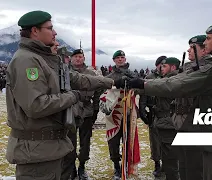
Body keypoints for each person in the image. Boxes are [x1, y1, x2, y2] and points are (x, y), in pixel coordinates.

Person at [124, 23, 212, 180]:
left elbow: (179, 85)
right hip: (210, 139)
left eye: (208, 39)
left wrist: (142, 84)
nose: (206, 42)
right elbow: (177, 80)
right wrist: (142, 85)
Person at [5, 10, 117, 180]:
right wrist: (73, 96)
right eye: (50, 28)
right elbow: (36, 105)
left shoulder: (45, 59)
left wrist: (112, 82)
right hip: (36, 152)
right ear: (35, 31)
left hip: (48, 148)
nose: (55, 33)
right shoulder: (27, 61)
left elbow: (79, 79)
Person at [61, 49, 101, 180]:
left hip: (87, 111)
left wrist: (95, 110)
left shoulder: (91, 73)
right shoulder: (65, 73)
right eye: (75, 57)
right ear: (71, 59)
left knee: (85, 143)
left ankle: (82, 167)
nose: (78, 59)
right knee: (70, 142)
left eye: (80, 57)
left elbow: (97, 93)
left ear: (84, 58)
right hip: (71, 111)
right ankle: (71, 168)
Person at [174, 35, 211, 180]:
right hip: (184, 125)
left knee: (195, 170)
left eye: (193, 47)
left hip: (196, 127)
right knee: (183, 167)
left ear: (204, 50)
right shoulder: (189, 69)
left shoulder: (206, 69)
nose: (188, 50)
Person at [105, 50, 136, 180]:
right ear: (114, 60)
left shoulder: (132, 74)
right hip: (113, 115)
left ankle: (127, 166)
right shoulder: (109, 76)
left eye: (122, 57)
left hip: (128, 113)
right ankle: (117, 167)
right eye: (117, 58)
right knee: (113, 142)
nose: (120, 60)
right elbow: (104, 93)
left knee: (129, 141)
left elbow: (140, 89)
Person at [138, 55, 166, 177]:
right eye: (162, 64)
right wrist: (142, 112)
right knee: (155, 141)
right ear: (157, 65)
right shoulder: (150, 77)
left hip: (166, 114)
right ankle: (157, 164)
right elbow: (144, 97)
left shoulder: (169, 76)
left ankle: (166, 164)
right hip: (153, 113)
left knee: (166, 140)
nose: (163, 67)